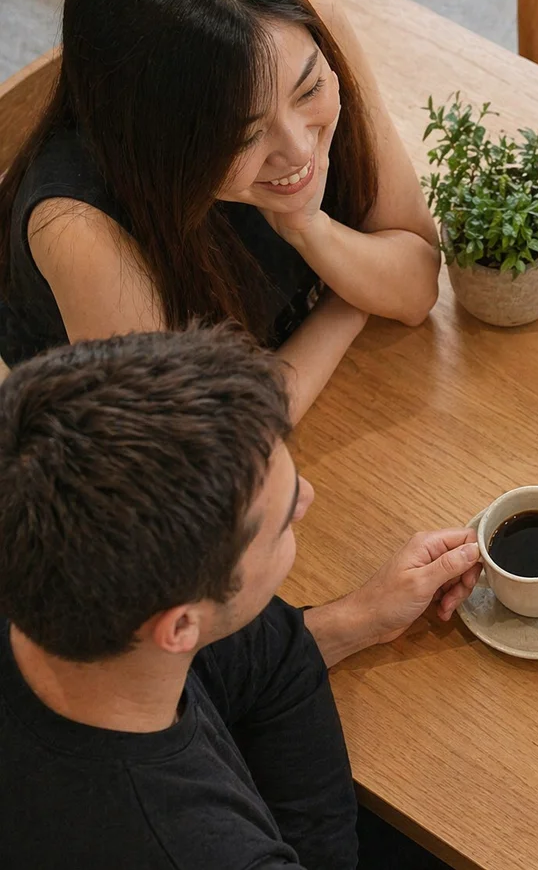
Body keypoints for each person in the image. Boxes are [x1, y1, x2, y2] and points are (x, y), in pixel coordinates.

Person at [0, 326, 481, 868]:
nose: (306, 498)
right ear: (180, 628)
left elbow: (275, 654)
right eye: (280, 523)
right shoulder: (188, 844)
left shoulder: (52, 572)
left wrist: (360, 620)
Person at [0, 0, 440, 421]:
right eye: (243, 136)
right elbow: (194, 451)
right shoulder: (79, 229)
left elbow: (417, 281)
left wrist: (310, 228)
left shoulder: (302, 24)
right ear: (157, 144)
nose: (299, 149)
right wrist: (351, 299)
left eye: (309, 90)